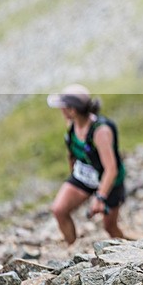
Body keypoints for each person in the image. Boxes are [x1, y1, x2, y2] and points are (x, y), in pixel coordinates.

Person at [48, 84, 127, 244]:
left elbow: (111, 169)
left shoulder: (100, 132)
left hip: (109, 181)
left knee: (110, 227)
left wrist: (100, 197)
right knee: (59, 210)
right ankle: (71, 247)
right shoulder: (72, 124)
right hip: (84, 176)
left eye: (63, 107)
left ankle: (130, 249)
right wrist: (72, 176)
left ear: (72, 110)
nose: (61, 110)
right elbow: (72, 152)